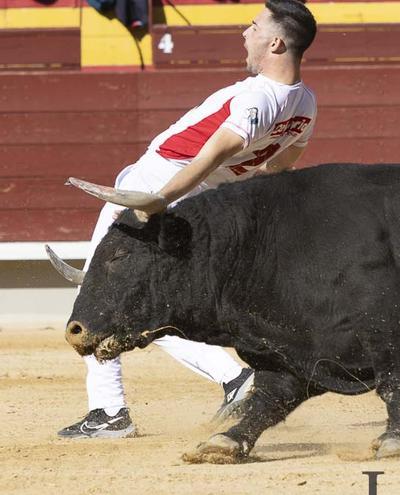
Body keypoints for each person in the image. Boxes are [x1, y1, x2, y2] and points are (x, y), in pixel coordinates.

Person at [57, 0, 318, 439]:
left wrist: (159, 198)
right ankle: (232, 378)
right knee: (151, 303)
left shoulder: (258, 96)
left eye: (253, 27)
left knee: (98, 300)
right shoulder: (306, 103)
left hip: (157, 188)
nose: (245, 33)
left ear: (275, 42)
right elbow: (281, 165)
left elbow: (215, 151)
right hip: (202, 202)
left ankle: (109, 411)